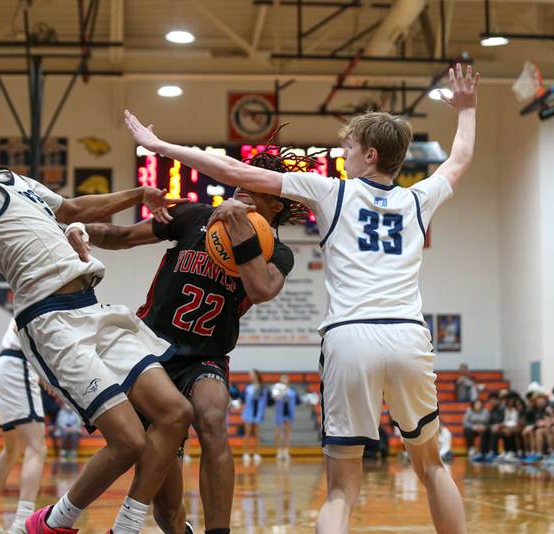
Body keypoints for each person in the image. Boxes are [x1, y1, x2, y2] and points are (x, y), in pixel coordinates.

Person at [124, 61, 479, 534]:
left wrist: (159, 146)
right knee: (432, 465)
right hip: (409, 335)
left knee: (340, 489)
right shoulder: (419, 199)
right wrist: (468, 109)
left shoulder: (332, 191)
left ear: (370, 155)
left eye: (349, 147)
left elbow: (232, 168)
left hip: (351, 338)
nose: (344, 154)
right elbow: (459, 160)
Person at [0, 46, 193, 534]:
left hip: (92, 308)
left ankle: (127, 525)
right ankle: (54, 521)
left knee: (176, 412)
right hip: (49, 320)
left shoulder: (17, 182)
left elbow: (74, 208)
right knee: (129, 441)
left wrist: (140, 193)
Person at [66, 147, 306, 534]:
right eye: (241, 179)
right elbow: (123, 235)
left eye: (256, 185)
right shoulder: (192, 215)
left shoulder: (276, 252)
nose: (243, 187)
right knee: (167, 511)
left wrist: (241, 230)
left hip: (205, 357)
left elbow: (262, 289)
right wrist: (77, 231)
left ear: (275, 205)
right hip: (149, 352)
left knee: (212, 416)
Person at [0, 319, 47, 534]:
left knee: (12, 450)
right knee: (37, 447)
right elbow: (20, 325)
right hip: (16, 367)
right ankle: (23, 522)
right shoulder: (45, 296)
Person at [242, 369, 268, 466]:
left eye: (252, 375)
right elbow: (245, 400)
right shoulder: (248, 388)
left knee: (257, 433)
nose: (250, 377)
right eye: (250, 375)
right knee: (247, 433)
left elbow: (264, 402)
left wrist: (261, 414)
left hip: (258, 413)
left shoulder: (263, 388)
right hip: (248, 412)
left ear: (257, 375)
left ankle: (256, 453)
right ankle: (246, 453)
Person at [273, 375, 300, 462]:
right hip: (279, 413)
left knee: (287, 433)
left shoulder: (292, 391)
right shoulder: (277, 389)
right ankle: (279, 451)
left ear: (288, 381)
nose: (283, 381)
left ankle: (286, 451)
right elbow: (274, 397)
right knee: (279, 433)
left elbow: (296, 399)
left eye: (285, 379)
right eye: (282, 380)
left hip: (288, 412)